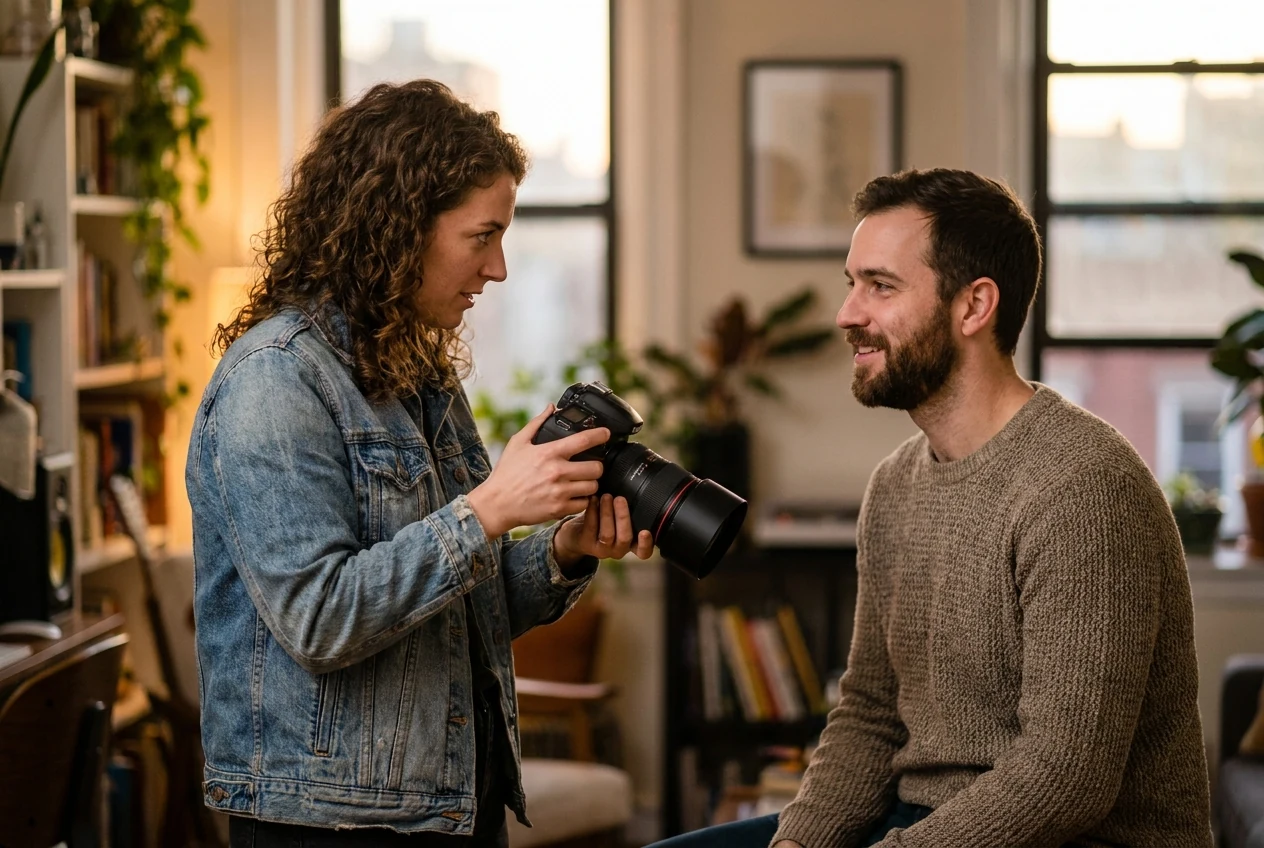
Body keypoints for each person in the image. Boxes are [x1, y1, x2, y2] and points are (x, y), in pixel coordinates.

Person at [649, 168, 1213, 847]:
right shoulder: (895, 486)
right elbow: (869, 714)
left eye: (880, 286)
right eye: (851, 284)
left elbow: (1065, 780)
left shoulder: (1083, 487)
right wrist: (797, 842)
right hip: (921, 823)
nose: (847, 314)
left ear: (974, 306)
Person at [186, 79, 654, 846]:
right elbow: (319, 619)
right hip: (333, 821)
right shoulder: (275, 380)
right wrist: (489, 508)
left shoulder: (416, 376)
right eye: (482, 236)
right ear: (398, 227)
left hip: (451, 802)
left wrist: (567, 551)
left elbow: (456, 606)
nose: (498, 268)